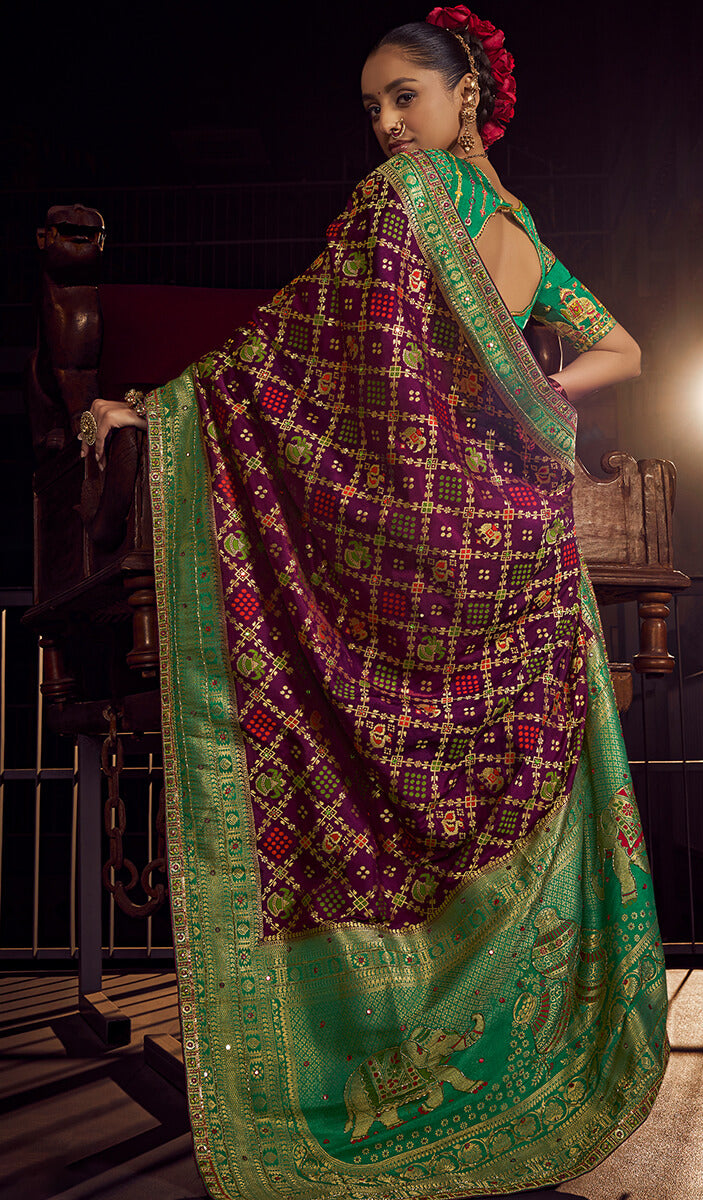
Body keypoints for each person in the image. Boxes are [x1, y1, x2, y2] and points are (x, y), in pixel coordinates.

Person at [81, 7, 668, 1197]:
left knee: (356, 746)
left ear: (464, 98)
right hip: (516, 544)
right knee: (498, 786)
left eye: (405, 96)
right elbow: (624, 350)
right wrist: (533, 391)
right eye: (372, 108)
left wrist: (161, 409)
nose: (388, 125)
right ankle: (503, 1071)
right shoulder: (519, 230)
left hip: (419, 532)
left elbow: (300, 346)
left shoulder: (405, 200)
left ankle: (362, 1071)